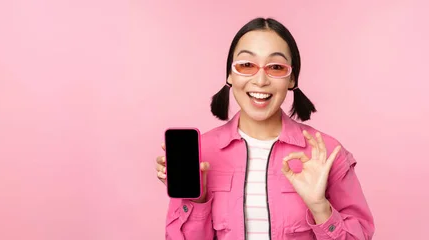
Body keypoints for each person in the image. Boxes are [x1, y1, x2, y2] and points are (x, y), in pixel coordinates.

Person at [155, 17, 375, 240]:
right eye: (246, 65)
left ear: (292, 79)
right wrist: (196, 200)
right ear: (230, 75)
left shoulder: (326, 152)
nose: (260, 80)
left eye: (276, 67)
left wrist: (320, 207)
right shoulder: (201, 152)